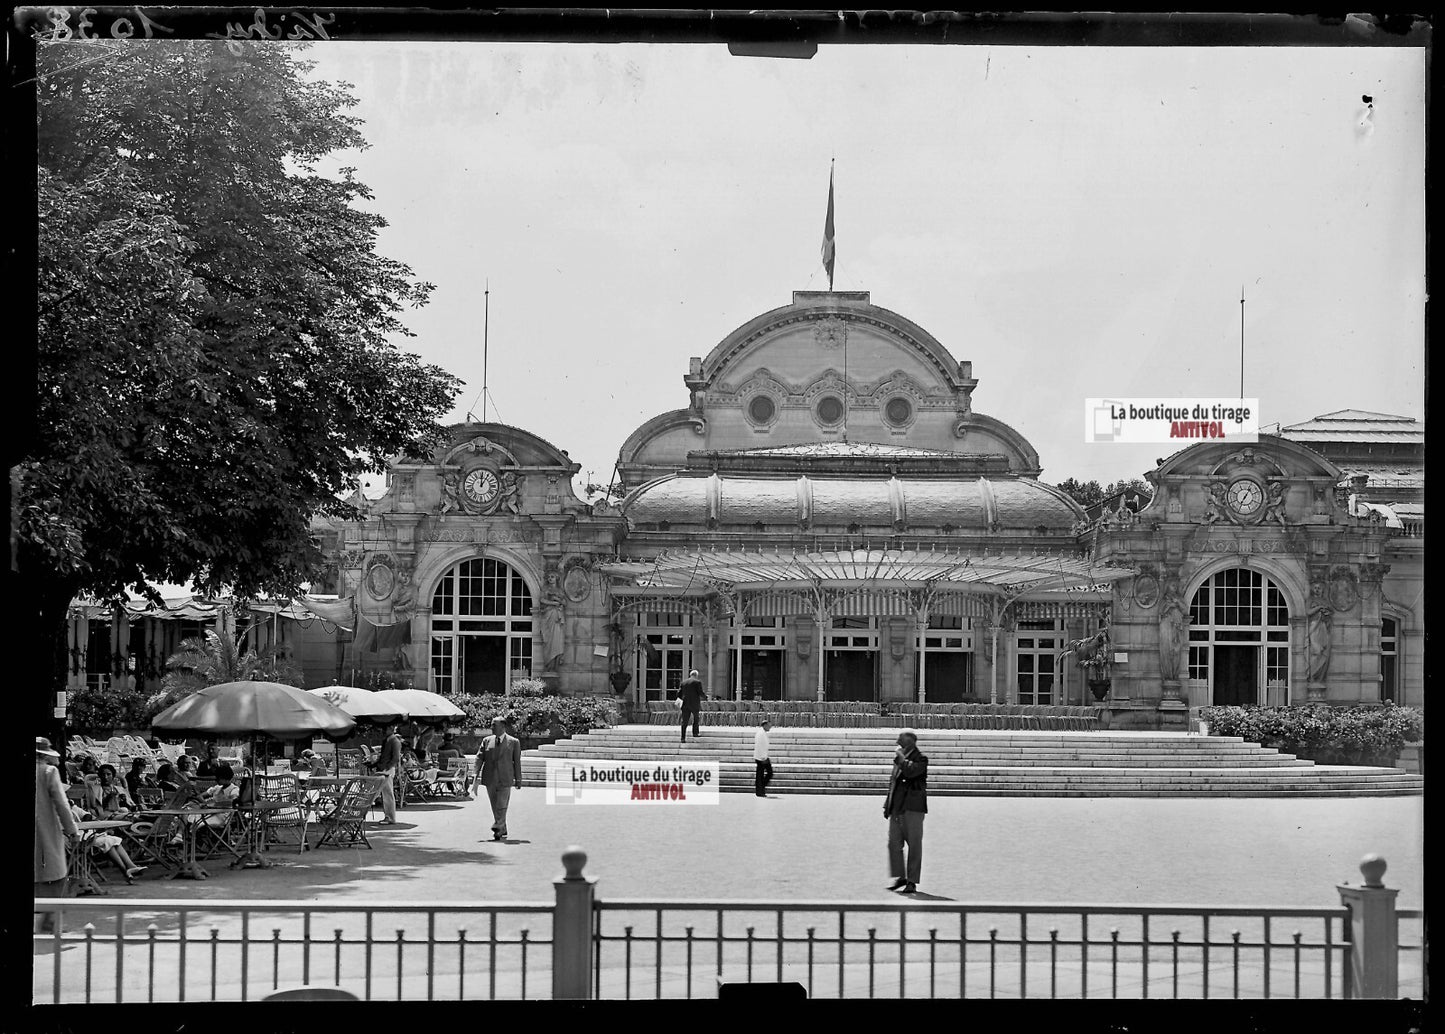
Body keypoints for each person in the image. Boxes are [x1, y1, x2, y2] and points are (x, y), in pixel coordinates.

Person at [35, 738, 80, 933]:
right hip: (44, 833)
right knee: (54, 877)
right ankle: (49, 922)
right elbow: (62, 805)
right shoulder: (48, 772)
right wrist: (72, 831)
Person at [884, 729, 929, 895]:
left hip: (913, 808)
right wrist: (887, 803)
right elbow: (893, 781)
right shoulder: (899, 758)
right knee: (893, 843)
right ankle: (900, 876)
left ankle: (911, 881)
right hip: (897, 807)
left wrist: (902, 760)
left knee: (914, 846)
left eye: (900, 739)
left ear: (910, 742)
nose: (897, 741)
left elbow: (911, 772)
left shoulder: (921, 759)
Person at [475, 717, 522, 841]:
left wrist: (518, 779)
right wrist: (475, 774)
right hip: (490, 778)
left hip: (505, 778)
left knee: (502, 804)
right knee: (495, 805)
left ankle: (498, 827)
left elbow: (516, 762)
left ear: (503, 726)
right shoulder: (486, 740)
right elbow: (479, 758)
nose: (491, 727)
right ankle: (502, 826)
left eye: (494, 725)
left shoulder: (513, 742)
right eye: (491, 725)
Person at [375, 724, 403, 824]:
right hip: (384, 768)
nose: (383, 731)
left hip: (387, 769)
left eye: (385, 729)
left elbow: (395, 757)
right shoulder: (387, 740)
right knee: (385, 793)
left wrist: (387, 767)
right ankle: (388, 816)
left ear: (391, 729)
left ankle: (390, 817)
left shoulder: (395, 741)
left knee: (388, 794)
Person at [678, 669, 706, 743]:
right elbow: (700, 692)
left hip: (685, 704)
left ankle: (683, 738)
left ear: (690, 675)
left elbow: (679, 693)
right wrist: (705, 697)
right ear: (696, 675)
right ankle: (695, 733)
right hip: (694, 704)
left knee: (684, 721)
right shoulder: (697, 682)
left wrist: (680, 701)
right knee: (696, 718)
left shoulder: (683, 682)